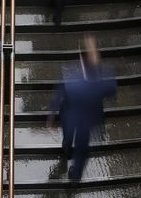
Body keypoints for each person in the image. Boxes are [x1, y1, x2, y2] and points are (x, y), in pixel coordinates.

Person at [47, 35, 117, 182]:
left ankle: (68, 153)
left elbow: (59, 96)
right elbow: (111, 91)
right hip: (87, 120)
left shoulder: (71, 78)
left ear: (81, 58)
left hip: (72, 118)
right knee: (81, 149)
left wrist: (51, 117)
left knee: (74, 142)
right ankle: (75, 174)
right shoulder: (103, 80)